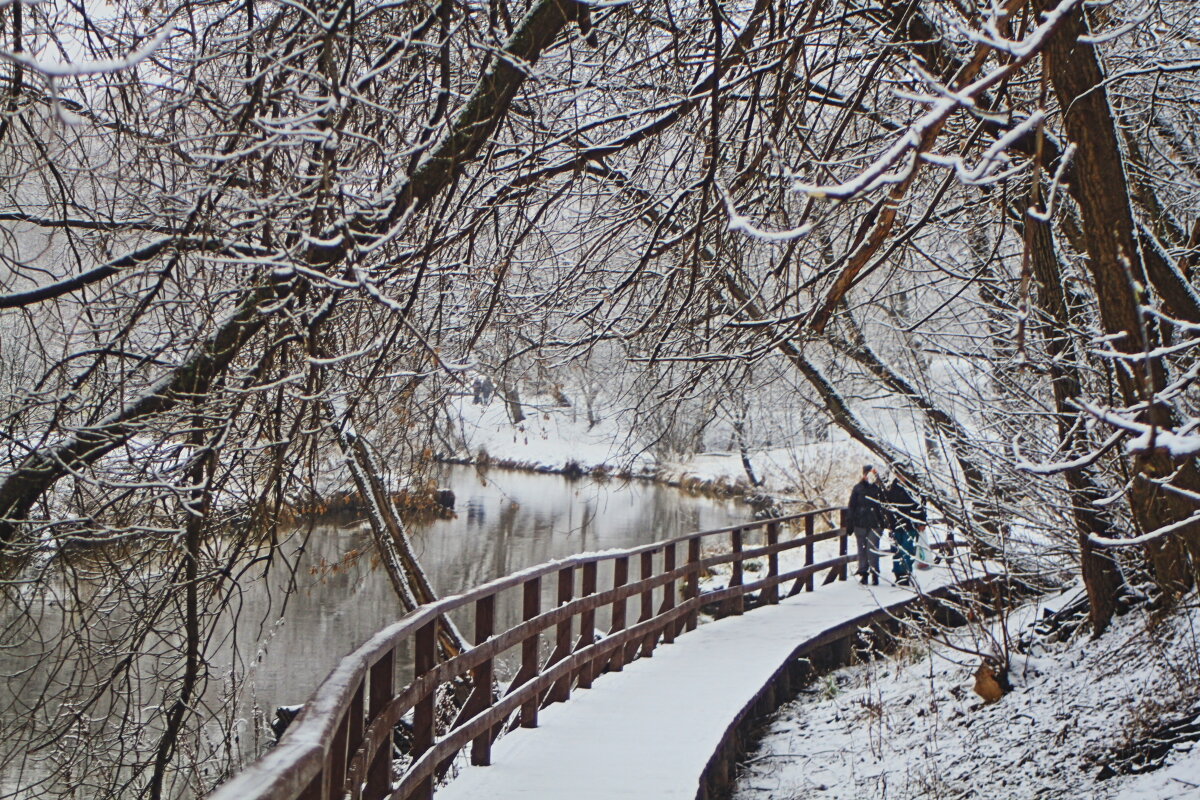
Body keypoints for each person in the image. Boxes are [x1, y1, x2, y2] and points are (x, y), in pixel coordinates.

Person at [883, 470, 926, 586]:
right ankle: (898, 575)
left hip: (910, 524)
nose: (901, 476)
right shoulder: (892, 488)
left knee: (907, 550)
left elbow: (920, 506)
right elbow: (888, 507)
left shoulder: (913, 489)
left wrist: (922, 521)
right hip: (896, 524)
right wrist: (890, 524)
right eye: (898, 474)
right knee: (897, 551)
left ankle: (906, 575)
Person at [846, 465, 887, 585]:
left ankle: (875, 573)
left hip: (875, 523)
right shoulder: (858, 488)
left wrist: (884, 522)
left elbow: (885, 503)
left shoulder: (879, 488)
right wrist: (850, 523)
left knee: (872, 548)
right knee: (862, 549)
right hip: (860, 522)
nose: (868, 476)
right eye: (866, 473)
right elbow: (851, 506)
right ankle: (863, 573)